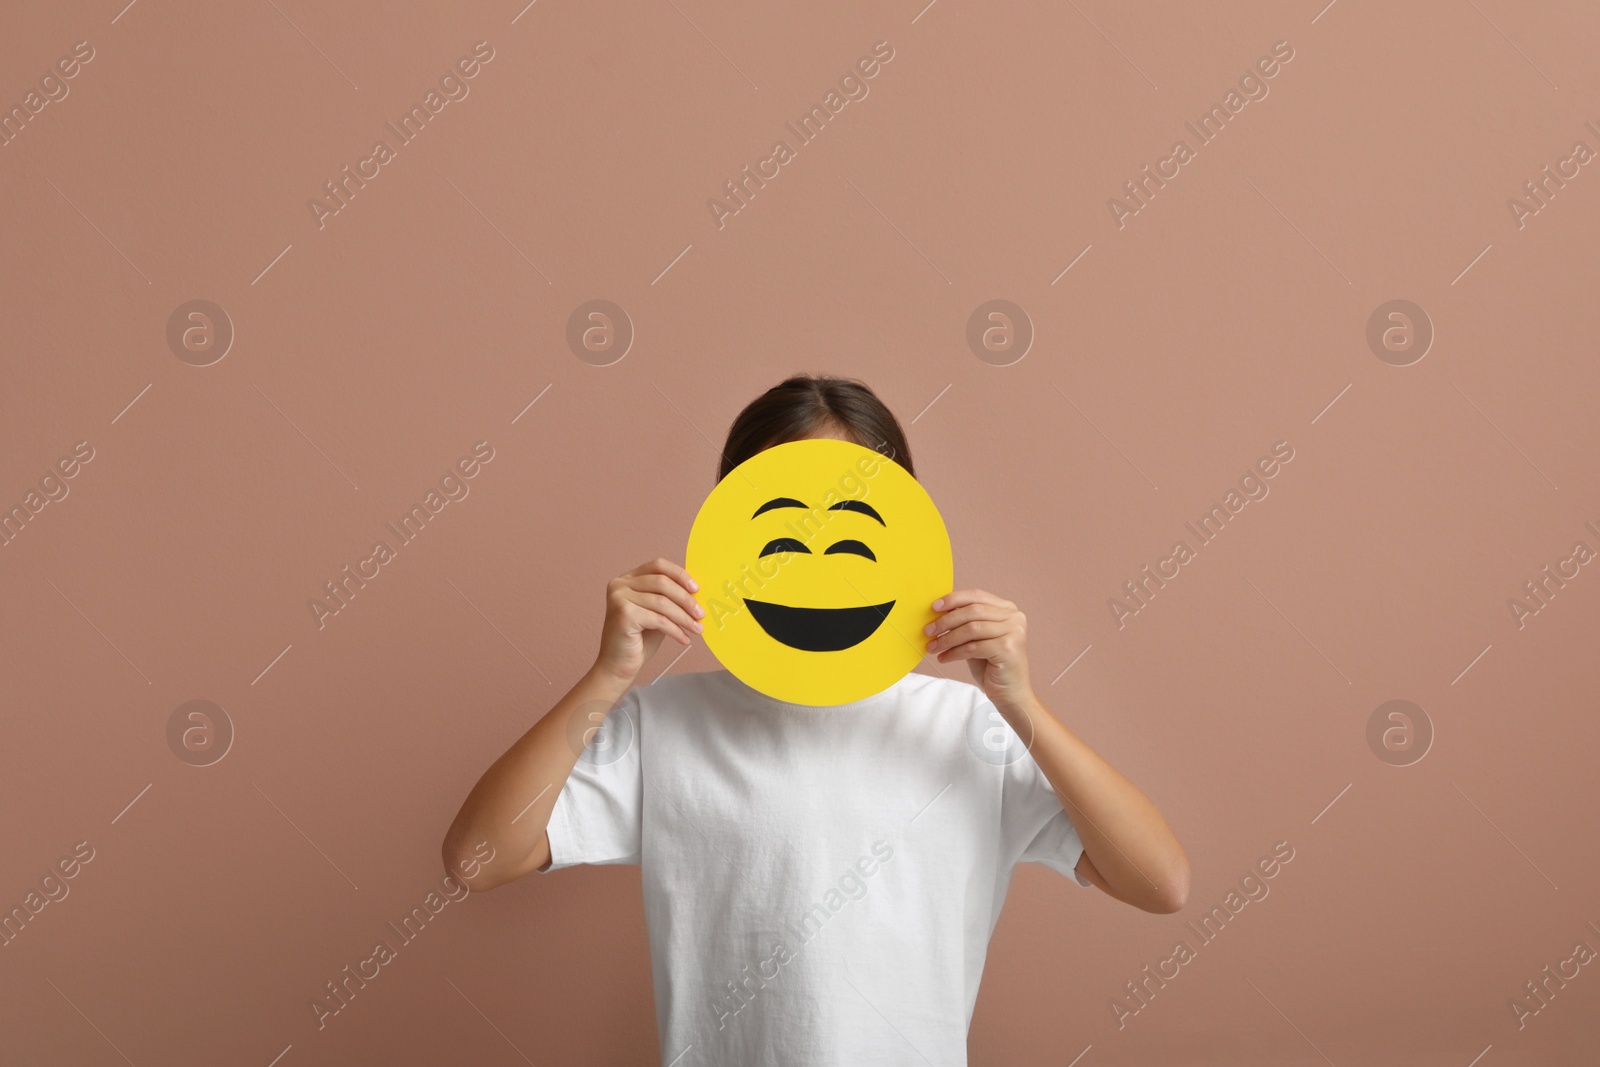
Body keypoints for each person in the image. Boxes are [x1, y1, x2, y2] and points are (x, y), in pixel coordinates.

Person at [442, 374, 1190, 1065]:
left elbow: (1161, 881)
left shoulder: (970, 726)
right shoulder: (663, 723)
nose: (817, 550)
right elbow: (476, 858)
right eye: (780, 522)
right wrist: (606, 676)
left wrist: (1021, 703)